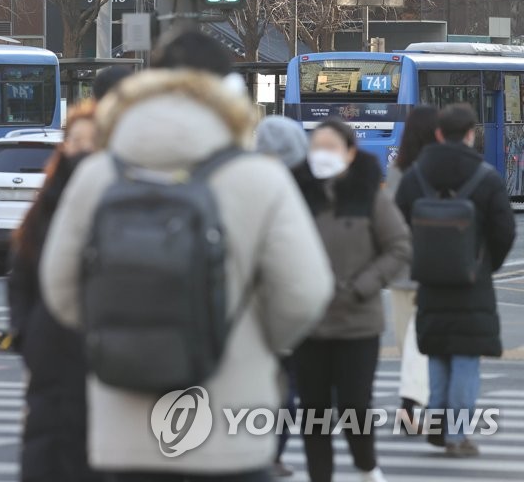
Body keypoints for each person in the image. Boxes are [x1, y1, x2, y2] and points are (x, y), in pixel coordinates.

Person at [39, 29, 334, 481]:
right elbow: (306, 293)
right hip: (230, 438)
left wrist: (121, 332)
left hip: (122, 438)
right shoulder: (260, 178)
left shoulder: (97, 176)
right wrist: (251, 342)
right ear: (229, 94)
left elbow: (60, 290)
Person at [292, 119, 411, 482]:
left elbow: (399, 246)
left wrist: (364, 285)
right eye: (316, 147)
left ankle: (366, 466)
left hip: (357, 321)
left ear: (350, 153)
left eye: (331, 148)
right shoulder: (295, 194)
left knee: (355, 405)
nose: (322, 155)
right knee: (313, 411)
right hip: (308, 323)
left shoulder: (369, 196)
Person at [395, 104, 516, 457]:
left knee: (437, 351)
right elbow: (505, 230)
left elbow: (400, 224)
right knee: (465, 356)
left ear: (437, 134)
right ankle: (456, 435)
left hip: (430, 280)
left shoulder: (415, 176)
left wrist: (424, 255)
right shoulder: (486, 176)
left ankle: (436, 422)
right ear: (469, 134)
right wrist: (483, 264)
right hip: (471, 282)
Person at [8, 101, 100, 482]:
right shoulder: (44, 206)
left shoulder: (117, 198)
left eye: (91, 141)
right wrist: (27, 336)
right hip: (51, 356)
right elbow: (21, 276)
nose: (80, 149)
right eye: (74, 141)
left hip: (102, 359)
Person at [252, 115, 310, 479]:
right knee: (285, 389)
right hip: (288, 313)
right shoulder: (309, 191)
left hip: (246, 315)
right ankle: (272, 454)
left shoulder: (241, 184)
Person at [384, 106, 439, 432]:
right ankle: (424, 407)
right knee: (432, 342)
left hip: (403, 272)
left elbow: (389, 222)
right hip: (436, 270)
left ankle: (409, 408)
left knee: (408, 343)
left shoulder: (397, 170)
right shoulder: (440, 170)